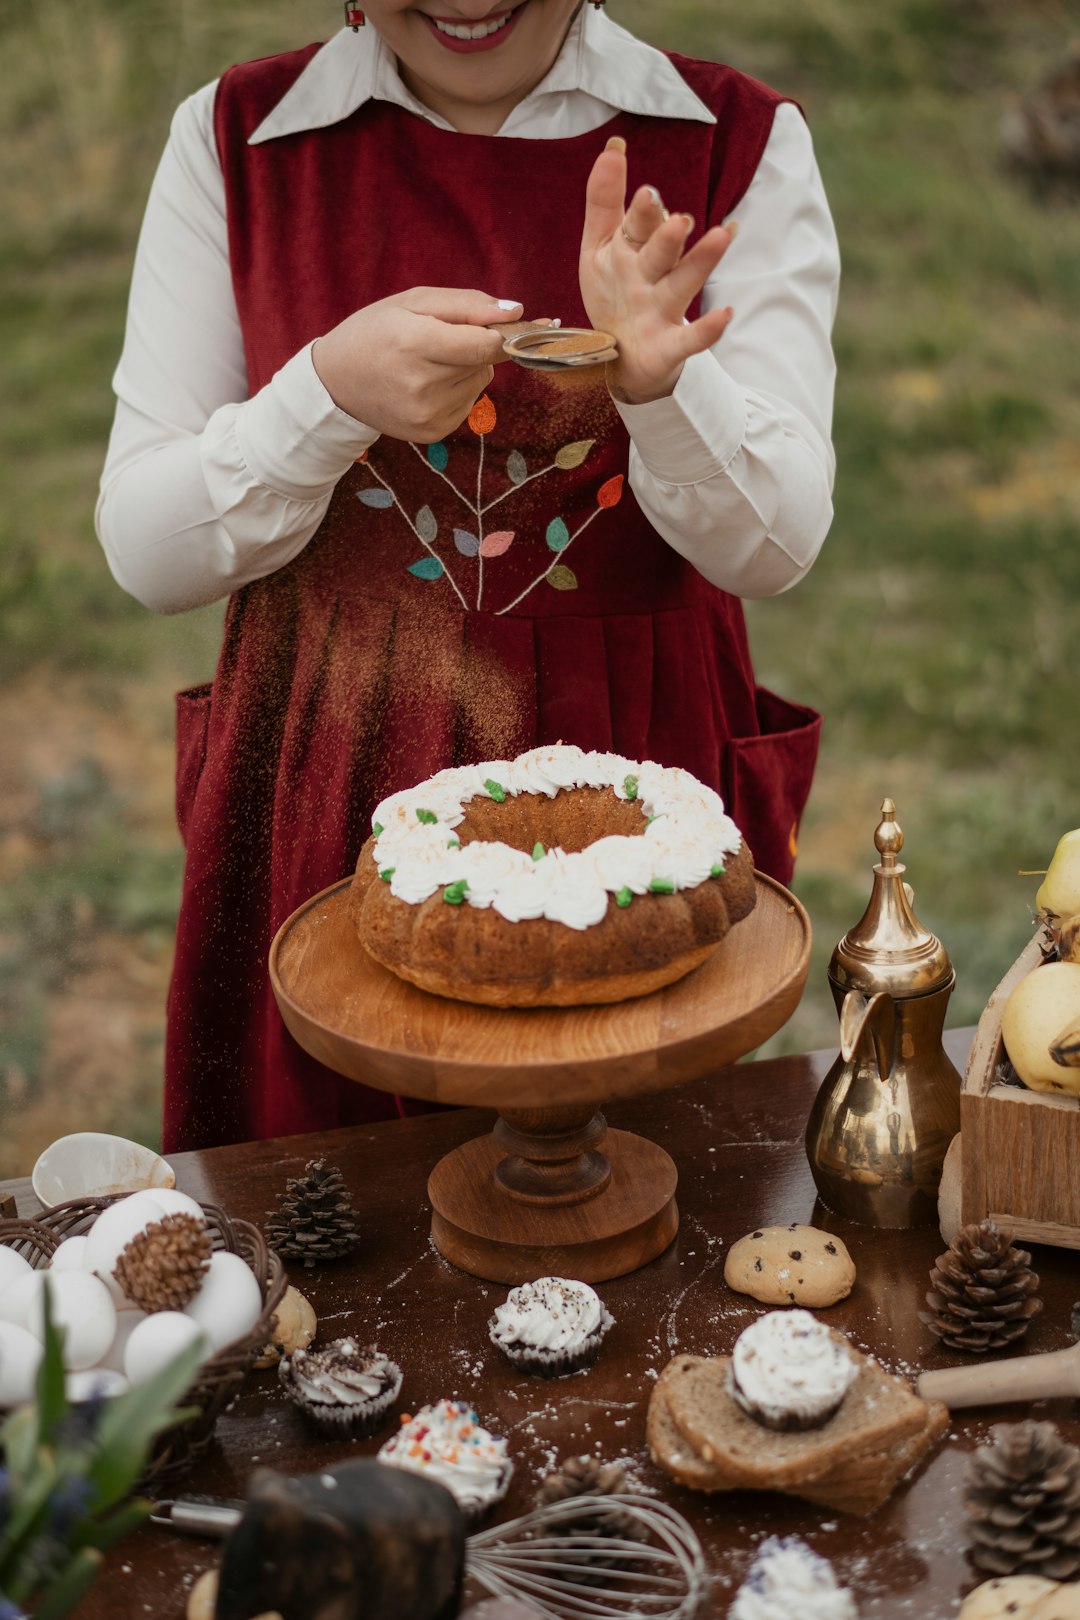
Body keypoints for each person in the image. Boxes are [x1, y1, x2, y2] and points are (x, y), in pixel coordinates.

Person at [96, 0, 840, 1153]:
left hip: (638, 797)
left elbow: (775, 543)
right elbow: (148, 547)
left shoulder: (732, 140)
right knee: (327, 1219)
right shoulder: (240, 142)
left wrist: (662, 388)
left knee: (636, 1212)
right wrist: (324, 398)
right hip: (323, 781)